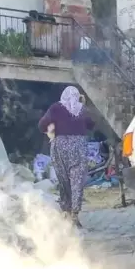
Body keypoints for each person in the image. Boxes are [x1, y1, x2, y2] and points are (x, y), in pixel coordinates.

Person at [39, 86, 93, 227]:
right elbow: (92, 125)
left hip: (60, 147)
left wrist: (51, 128)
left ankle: (66, 212)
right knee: (77, 181)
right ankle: (75, 214)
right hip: (79, 148)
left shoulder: (56, 107)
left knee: (64, 181)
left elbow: (41, 125)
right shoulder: (82, 110)